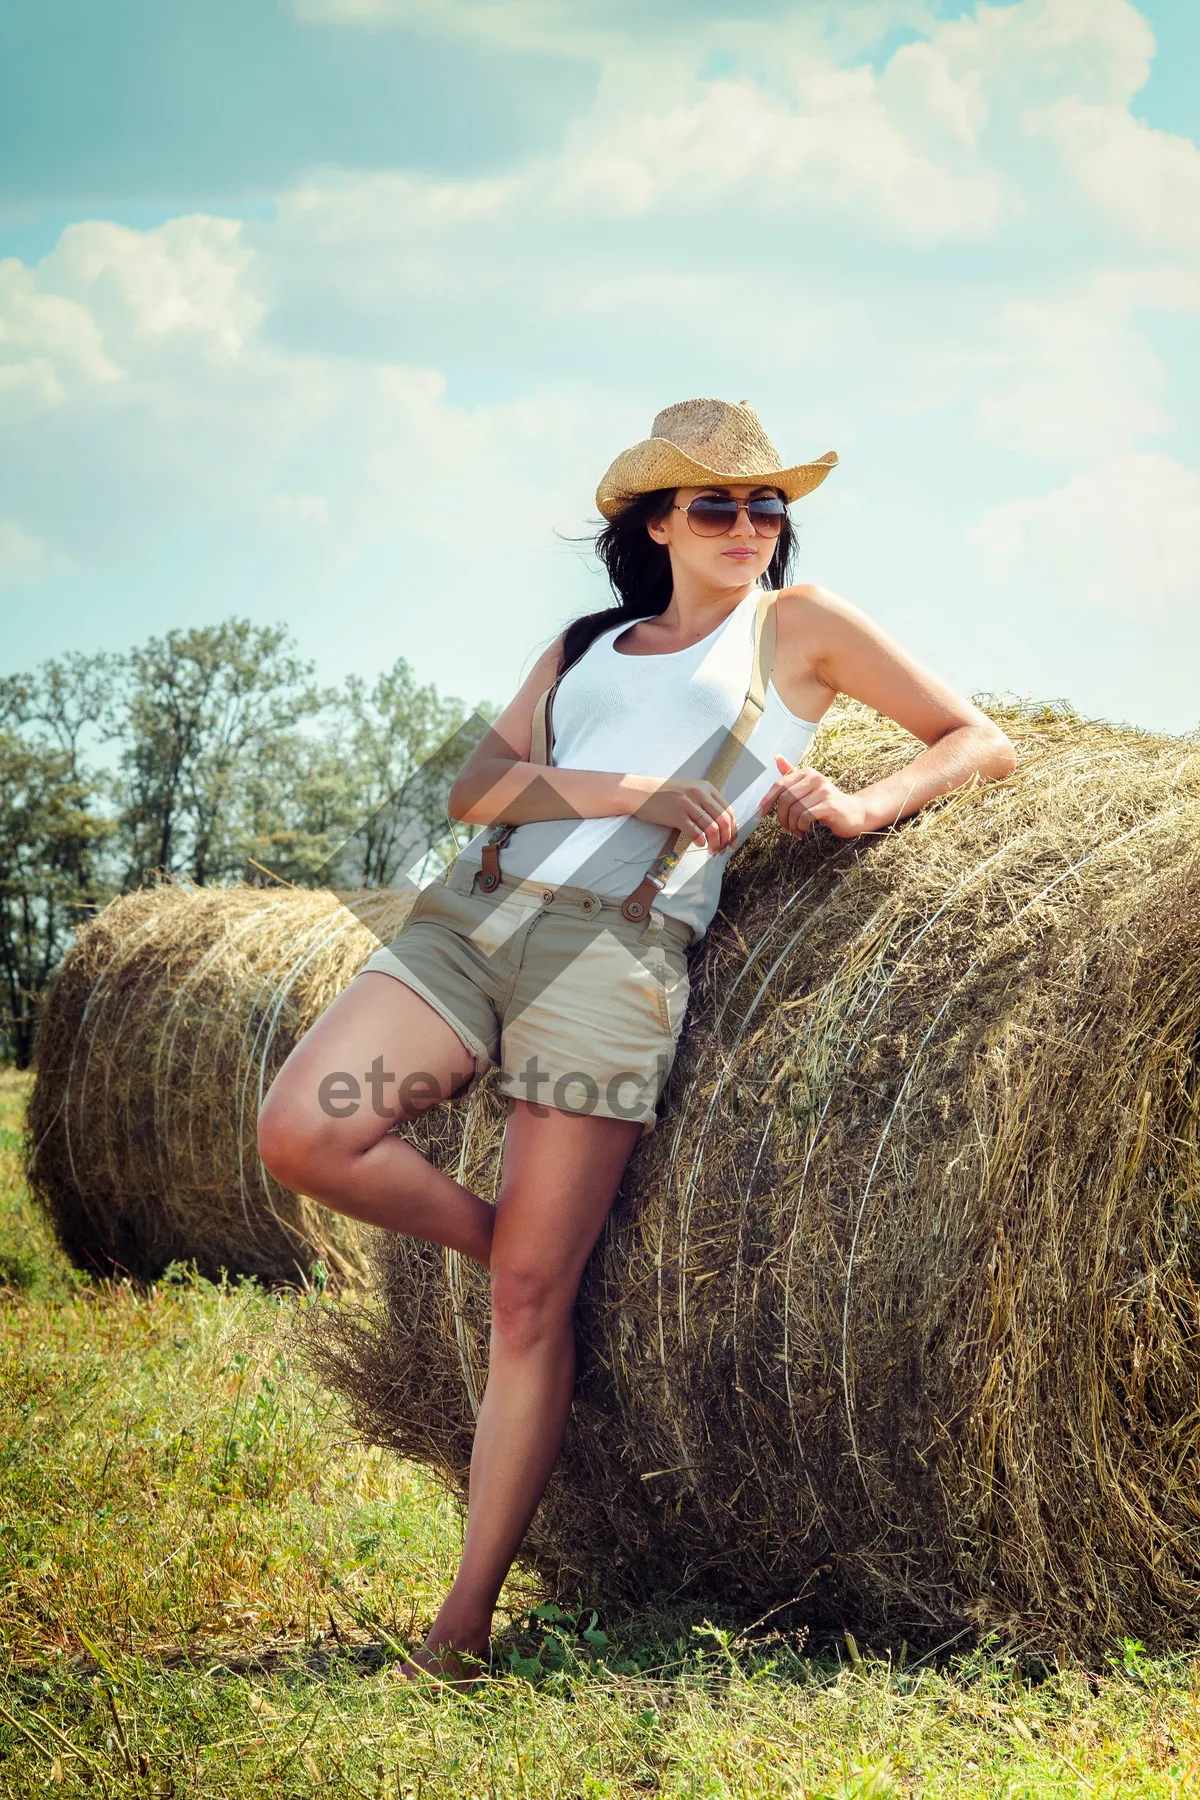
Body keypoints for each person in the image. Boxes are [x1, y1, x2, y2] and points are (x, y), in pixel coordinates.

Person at [257, 397, 1017, 1682]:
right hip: (476, 918)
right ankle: (521, 1241)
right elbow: (476, 789)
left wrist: (861, 804)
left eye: (767, 503)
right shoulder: (587, 642)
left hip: (616, 954)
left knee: (523, 1311)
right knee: (305, 1130)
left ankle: (461, 1626)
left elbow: (979, 739)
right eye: (715, 504)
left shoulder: (803, 626)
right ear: (655, 522)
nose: (748, 525)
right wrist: (636, 791)